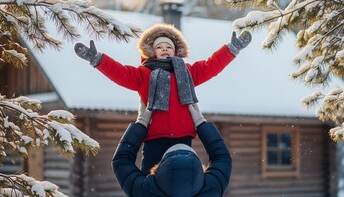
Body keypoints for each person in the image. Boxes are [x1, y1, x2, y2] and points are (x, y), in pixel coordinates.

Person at [74, 23, 251, 173]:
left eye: (168, 47)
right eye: (159, 47)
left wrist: (231, 49)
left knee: (181, 179)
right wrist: (97, 59)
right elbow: (119, 72)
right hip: (154, 138)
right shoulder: (144, 74)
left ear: (176, 52)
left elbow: (210, 65)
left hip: (183, 138)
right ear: (151, 52)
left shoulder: (187, 72)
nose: (164, 49)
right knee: (151, 179)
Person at [111, 103, 232, 197]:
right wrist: (201, 123)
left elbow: (121, 161)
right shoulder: (146, 192)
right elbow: (122, 161)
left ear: (158, 168)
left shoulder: (210, 190)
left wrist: (142, 122)